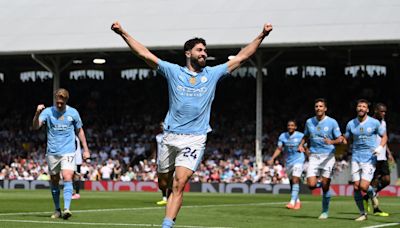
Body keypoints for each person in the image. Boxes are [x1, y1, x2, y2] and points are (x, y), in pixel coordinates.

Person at [111, 21, 273, 228]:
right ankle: (166, 193)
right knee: (163, 182)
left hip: (195, 138)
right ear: (188, 53)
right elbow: (144, 54)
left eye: (205, 50)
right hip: (170, 136)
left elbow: (243, 56)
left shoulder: (213, 74)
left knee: (179, 184)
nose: (204, 53)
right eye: (199, 50)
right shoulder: (173, 71)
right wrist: (123, 33)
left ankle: (167, 224)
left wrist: (262, 35)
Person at [32, 88, 90, 220]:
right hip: (52, 151)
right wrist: (36, 113)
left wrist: (85, 149)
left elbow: (80, 131)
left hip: (68, 151)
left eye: (61, 103)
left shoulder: (73, 113)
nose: (59, 105)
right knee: (54, 180)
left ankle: (67, 209)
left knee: (67, 176)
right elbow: (36, 127)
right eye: (57, 102)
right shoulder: (47, 112)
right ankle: (57, 209)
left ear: (66, 101)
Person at [298, 98, 344, 220]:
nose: (318, 108)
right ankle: (324, 185)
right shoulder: (309, 122)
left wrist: (331, 141)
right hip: (314, 156)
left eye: (320, 106)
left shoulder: (332, 122)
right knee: (311, 185)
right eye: (316, 106)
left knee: (325, 186)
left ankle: (324, 211)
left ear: (325, 108)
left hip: (328, 156)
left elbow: (340, 139)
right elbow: (306, 135)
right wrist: (301, 145)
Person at [344, 99, 386, 221]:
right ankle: (363, 214)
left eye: (364, 106)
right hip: (355, 157)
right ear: (357, 108)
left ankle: (372, 195)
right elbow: (345, 137)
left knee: (363, 186)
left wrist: (379, 147)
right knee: (356, 187)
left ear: (367, 110)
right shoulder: (351, 123)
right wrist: (341, 140)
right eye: (359, 106)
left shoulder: (374, 123)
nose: (361, 108)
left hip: (369, 158)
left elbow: (384, 136)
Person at [363, 103, 393, 216]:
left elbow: (384, 138)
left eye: (385, 112)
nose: (384, 113)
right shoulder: (368, 122)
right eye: (382, 111)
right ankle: (376, 208)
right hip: (372, 156)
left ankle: (366, 197)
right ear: (375, 111)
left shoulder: (383, 122)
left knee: (387, 180)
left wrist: (389, 153)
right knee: (374, 181)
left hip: (382, 156)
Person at [267, 120, 305, 210]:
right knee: (292, 182)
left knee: (296, 179)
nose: (290, 127)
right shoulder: (283, 136)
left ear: (295, 127)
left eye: (292, 125)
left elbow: (305, 147)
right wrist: (272, 158)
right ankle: (298, 202)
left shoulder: (300, 136)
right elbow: (279, 148)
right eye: (289, 125)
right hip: (288, 162)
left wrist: (310, 157)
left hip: (299, 160)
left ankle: (292, 202)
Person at [156, 122, 169, 206]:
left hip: (169, 159)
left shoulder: (171, 136)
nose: (161, 127)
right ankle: (164, 198)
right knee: (161, 180)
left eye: (163, 125)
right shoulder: (158, 137)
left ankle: (172, 197)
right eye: (160, 125)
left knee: (171, 179)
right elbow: (156, 148)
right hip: (160, 160)